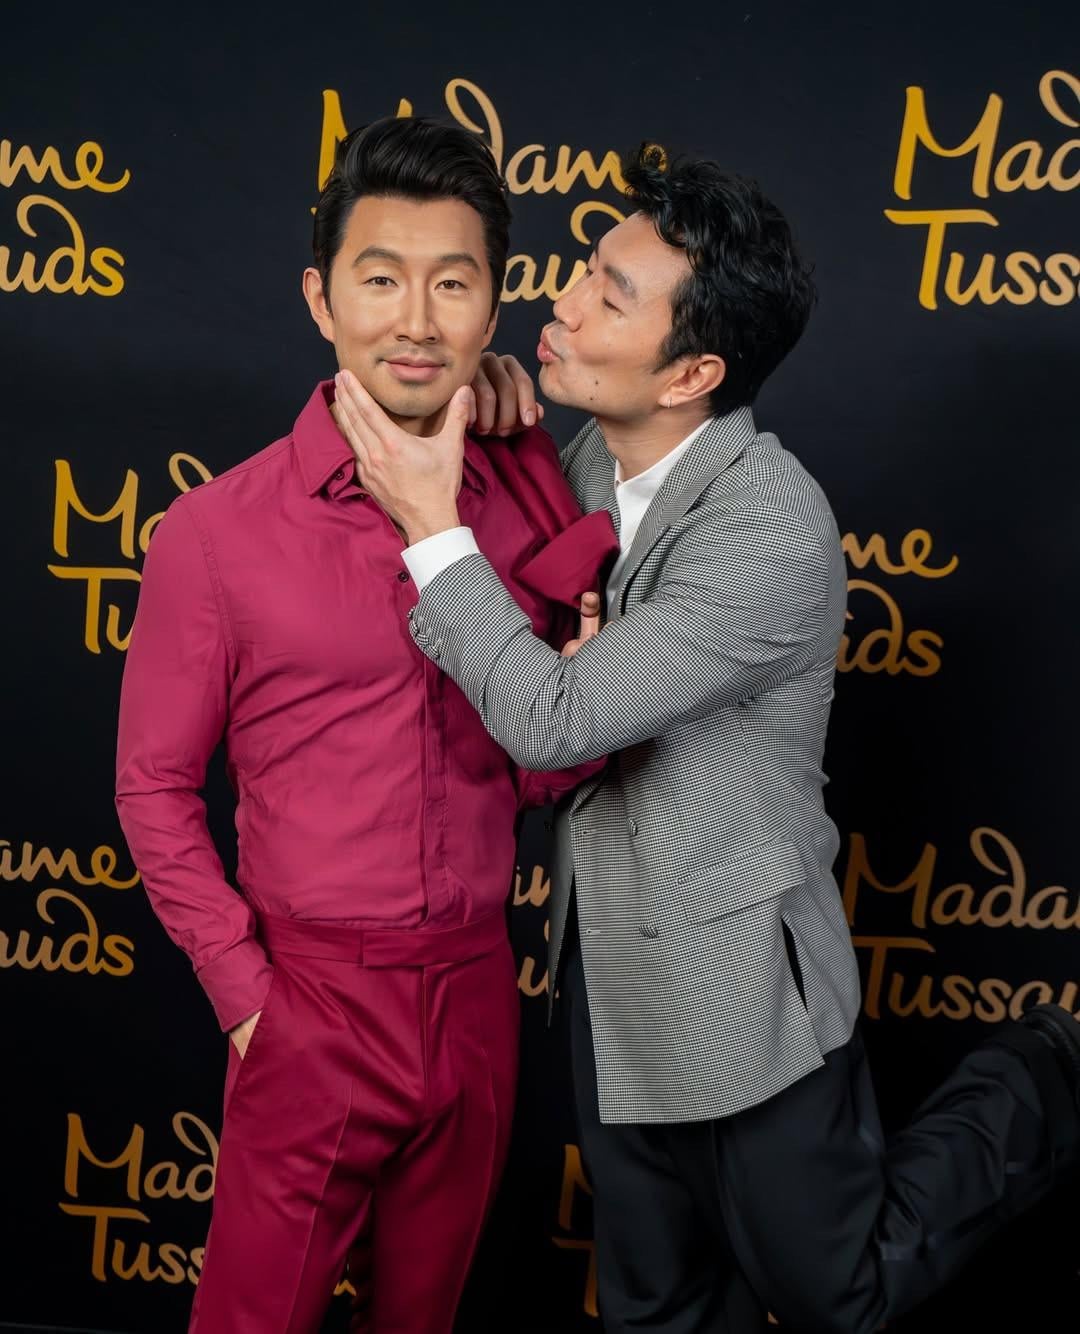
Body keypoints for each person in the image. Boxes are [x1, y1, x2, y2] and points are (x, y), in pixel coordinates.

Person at [331, 145, 1080, 1334]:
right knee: (656, 1307)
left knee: (841, 1288)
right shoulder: (582, 458)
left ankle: (1048, 1066)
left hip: (739, 991)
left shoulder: (769, 524)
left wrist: (431, 524)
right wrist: (499, 412)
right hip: (608, 974)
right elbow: (506, 570)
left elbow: (554, 715)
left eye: (609, 294)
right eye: (586, 268)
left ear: (693, 372)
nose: (563, 299)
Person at [114, 115, 616, 1334]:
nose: (417, 320)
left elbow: (550, 764)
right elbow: (153, 788)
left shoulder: (522, 497)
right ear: (321, 298)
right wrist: (249, 996)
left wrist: (582, 697)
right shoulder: (216, 531)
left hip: (478, 988)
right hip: (311, 997)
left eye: (453, 283)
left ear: (492, 305)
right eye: (381, 279)